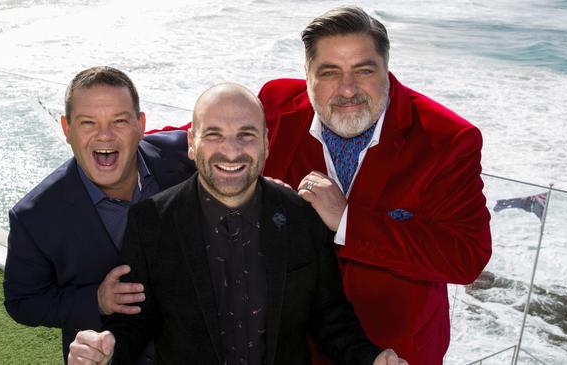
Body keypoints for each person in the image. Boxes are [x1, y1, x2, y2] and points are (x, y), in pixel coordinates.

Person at [67, 83, 408, 365]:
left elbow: (331, 318)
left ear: (266, 142)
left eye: (245, 134)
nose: (231, 151)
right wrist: (106, 345)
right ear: (191, 144)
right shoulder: (150, 222)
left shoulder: (304, 217)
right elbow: (135, 321)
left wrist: (371, 358)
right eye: (213, 134)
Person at [257, 6, 492, 365]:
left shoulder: (447, 140)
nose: (347, 89)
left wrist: (348, 221)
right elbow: (205, 141)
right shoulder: (277, 105)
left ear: (386, 68)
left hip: (394, 353)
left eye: (363, 70)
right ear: (307, 75)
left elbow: (465, 256)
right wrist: (137, 142)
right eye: (329, 72)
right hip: (291, 348)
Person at [3, 66, 195, 363]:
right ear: (67, 130)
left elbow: (233, 159)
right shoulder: (33, 216)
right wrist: (96, 300)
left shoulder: (183, 156)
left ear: (140, 124)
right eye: (88, 123)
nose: (105, 135)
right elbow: (22, 302)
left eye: (119, 121)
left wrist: (264, 186)